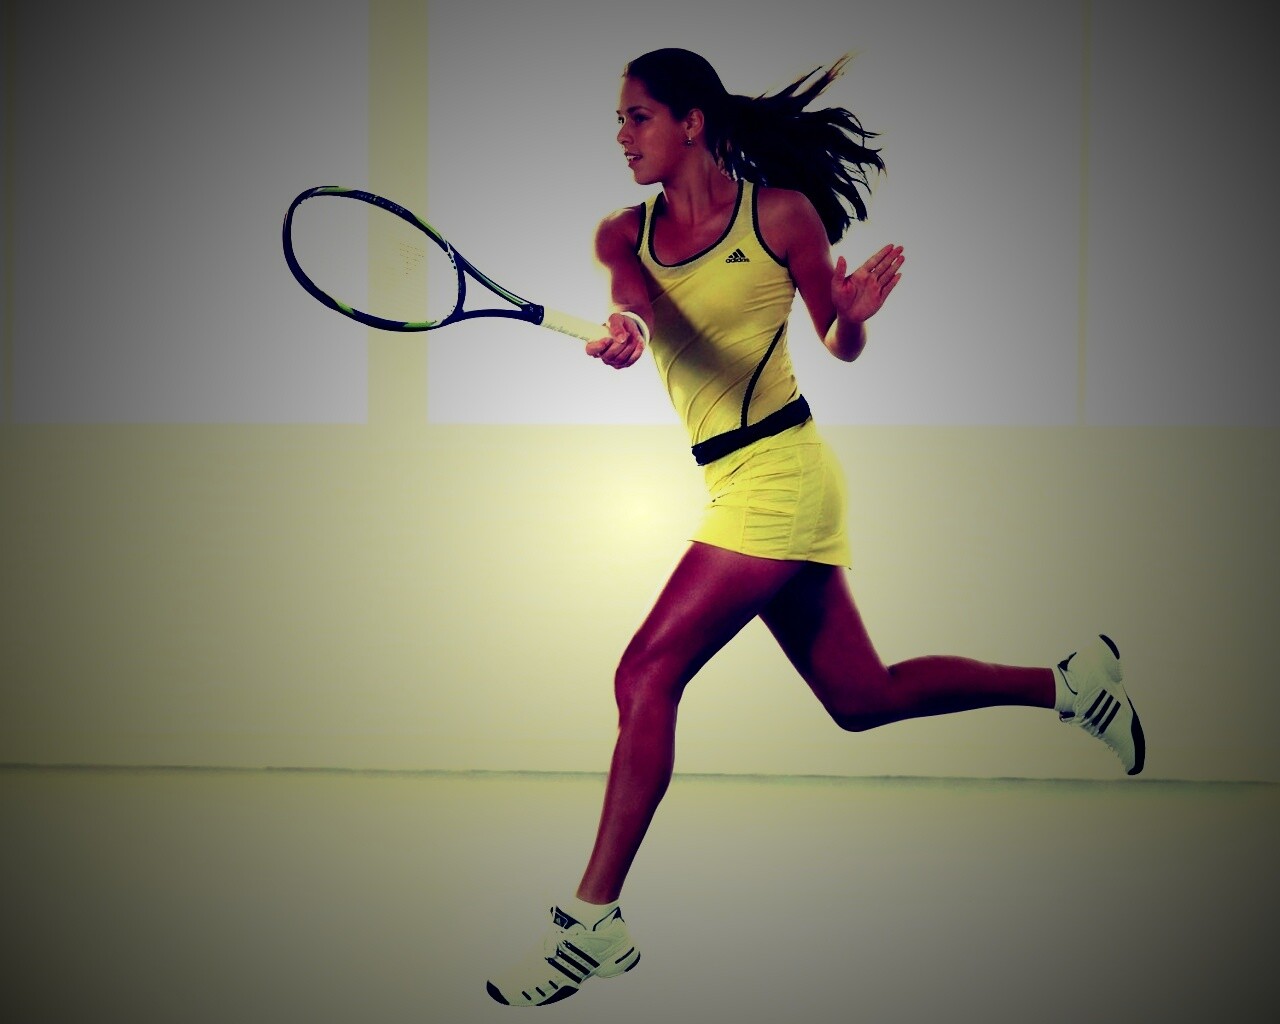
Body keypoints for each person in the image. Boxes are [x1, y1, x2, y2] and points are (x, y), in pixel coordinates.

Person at [485, 47, 1144, 1008]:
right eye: (619, 120)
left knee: (644, 674)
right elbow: (636, 305)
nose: (621, 135)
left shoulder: (780, 216)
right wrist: (628, 330)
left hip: (783, 476)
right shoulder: (622, 233)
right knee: (862, 698)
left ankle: (594, 922)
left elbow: (838, 341)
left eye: (637, 116)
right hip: (733, 482)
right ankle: (1072, 684)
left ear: (692, 122)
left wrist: (855, 316)